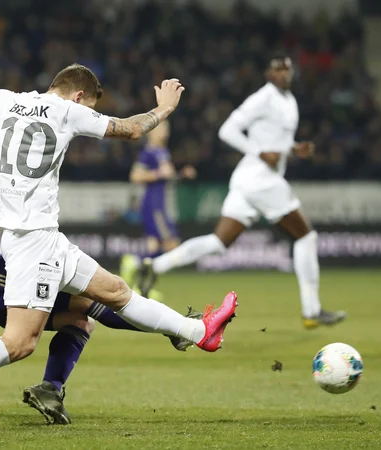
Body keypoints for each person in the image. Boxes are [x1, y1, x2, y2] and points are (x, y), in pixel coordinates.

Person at [0, 64, 238, 431]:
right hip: (33, 244)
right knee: (19, 342)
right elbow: (133, 128)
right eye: (89, 105)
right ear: (78, 96)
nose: (87, 112)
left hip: (39, 236)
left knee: (113, 291)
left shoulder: (3, 101)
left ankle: (197, 332)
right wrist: (165, 109)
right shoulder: (68, 111)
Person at [142, 54, 345, 329]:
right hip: (262, 179)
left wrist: (294, 149)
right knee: (306, 236)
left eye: (286, 69)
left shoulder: (289, 101)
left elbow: (275, 141)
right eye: (277, 69)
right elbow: (228, 130)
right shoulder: (263, 97)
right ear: (268, 73)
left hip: (248, 180)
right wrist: (260, 153)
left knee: (218, 243)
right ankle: (312, 310)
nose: (282, 74)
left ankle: (155, 267)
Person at [120, 120, 196, 296]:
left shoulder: (162, 152)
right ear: (151, 132)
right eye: (161, 128)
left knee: (153, 247)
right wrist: (159, 173)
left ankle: (143, 288)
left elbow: (166, 177)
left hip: (160, 204)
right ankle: (135, 262)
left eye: (167, 128)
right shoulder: (149, 152)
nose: (165, 132)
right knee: (172, 244)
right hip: (154, 205)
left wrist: (180, 174)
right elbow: (135, 176)